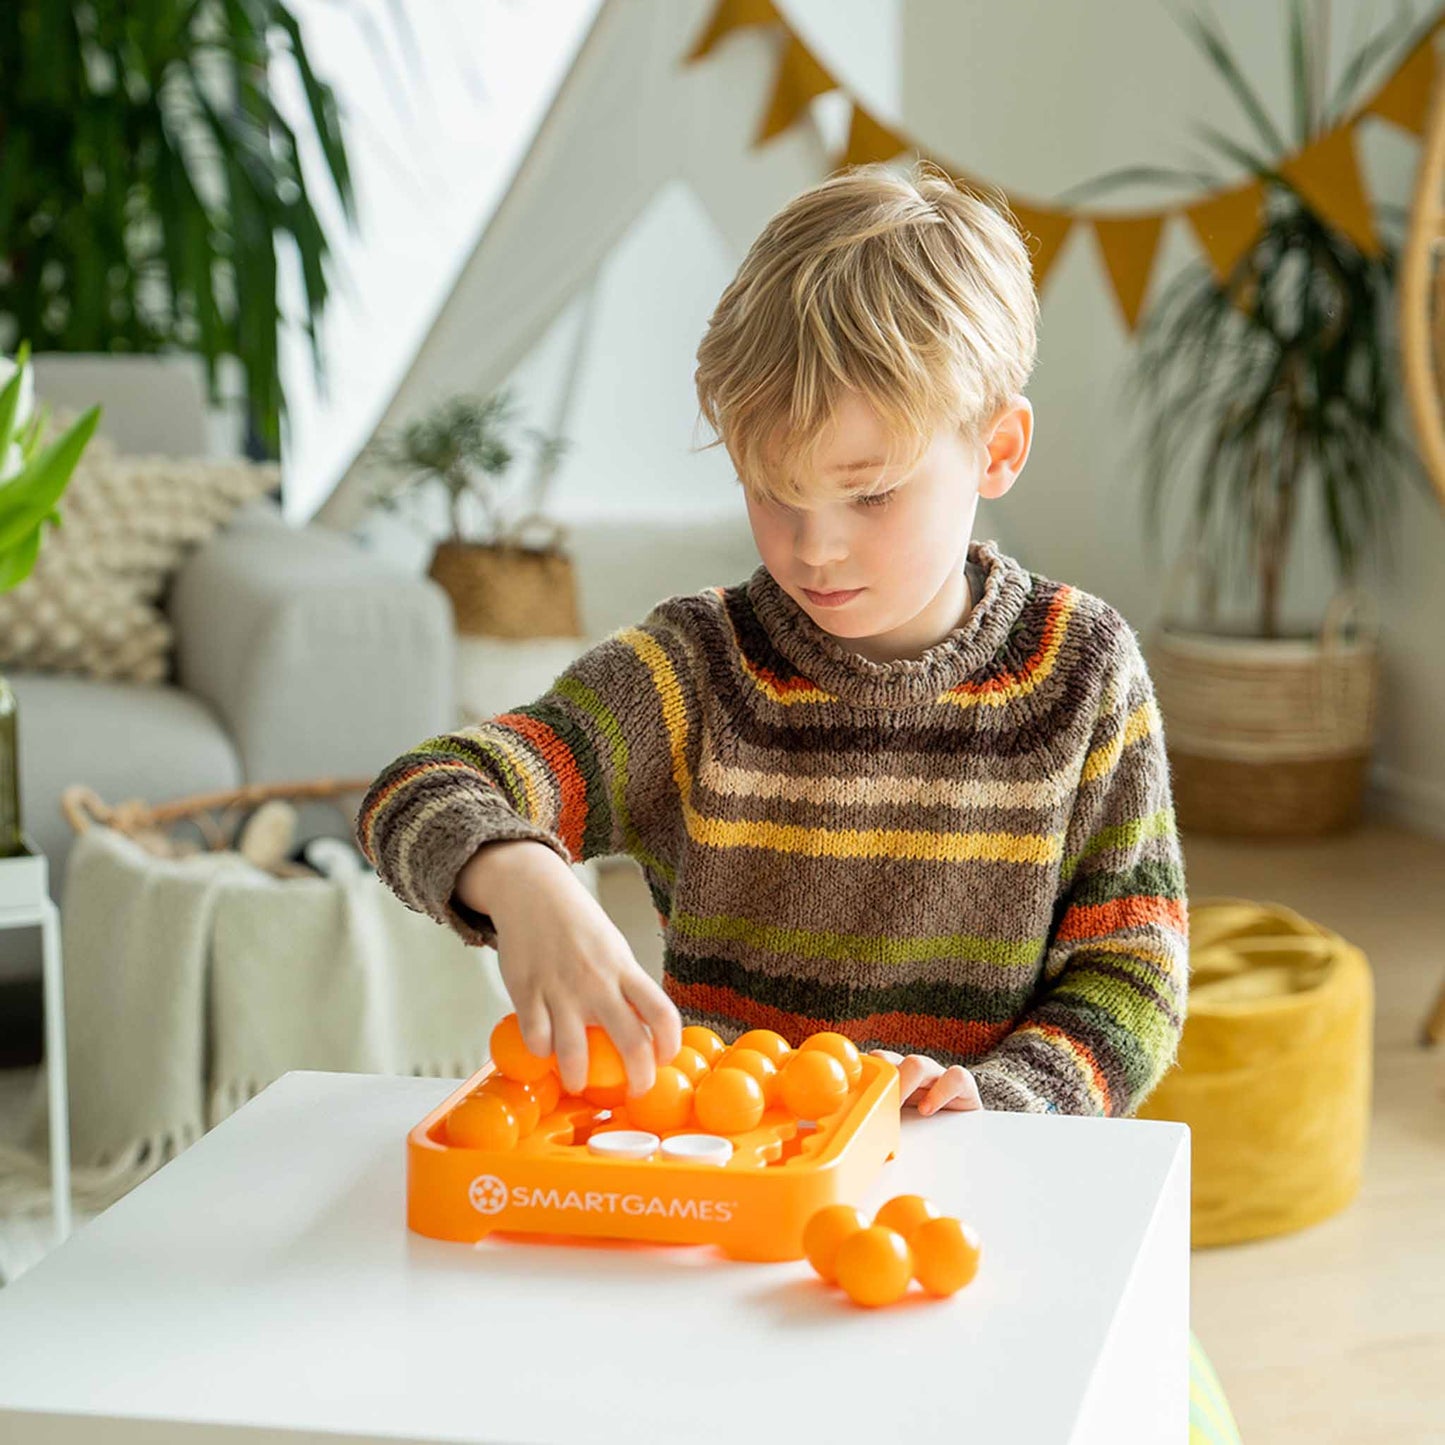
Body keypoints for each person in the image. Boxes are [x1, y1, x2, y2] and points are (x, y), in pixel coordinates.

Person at [354, 158, 1189, 1123]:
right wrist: (519, 873)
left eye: (869, 492)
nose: (815, 546)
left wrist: (1002, 1102)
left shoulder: (1080, 672)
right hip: (724, 1187)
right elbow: (415, 791)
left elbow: (1131, 974)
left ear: (996, 449)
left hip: (970, 1184)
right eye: (774, 491)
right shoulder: (698, 670)